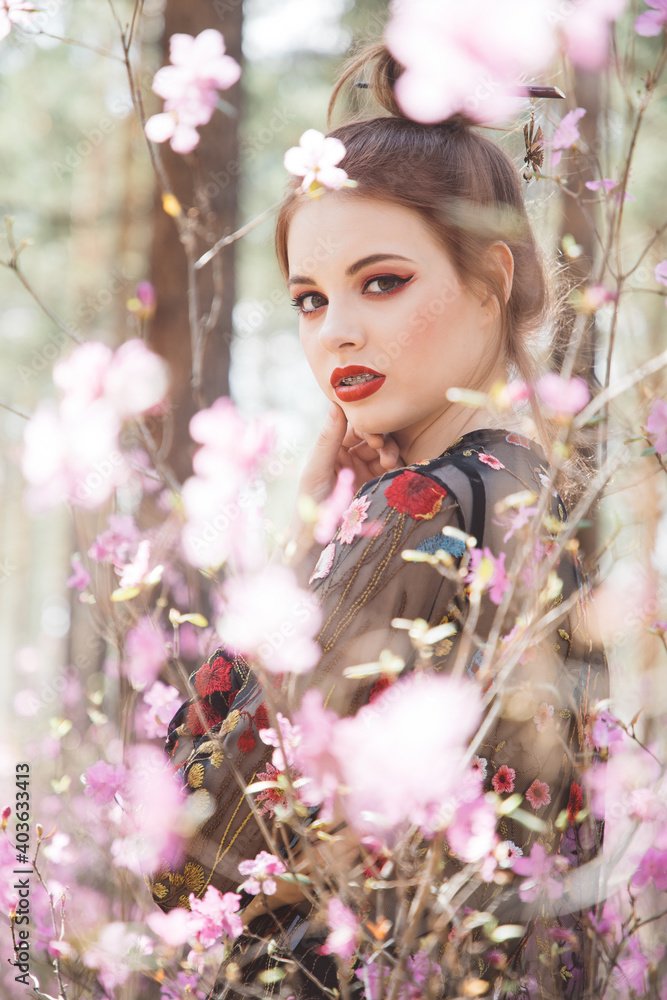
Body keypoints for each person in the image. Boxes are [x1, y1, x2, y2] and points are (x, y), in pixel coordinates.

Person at [149, 44, 607, 1000]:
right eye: (310, 300)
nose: (336, 333)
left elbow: (198, 848)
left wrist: (298, 549)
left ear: (491, 279)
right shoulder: (538, 500)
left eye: (382, 281)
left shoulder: (421, 504)